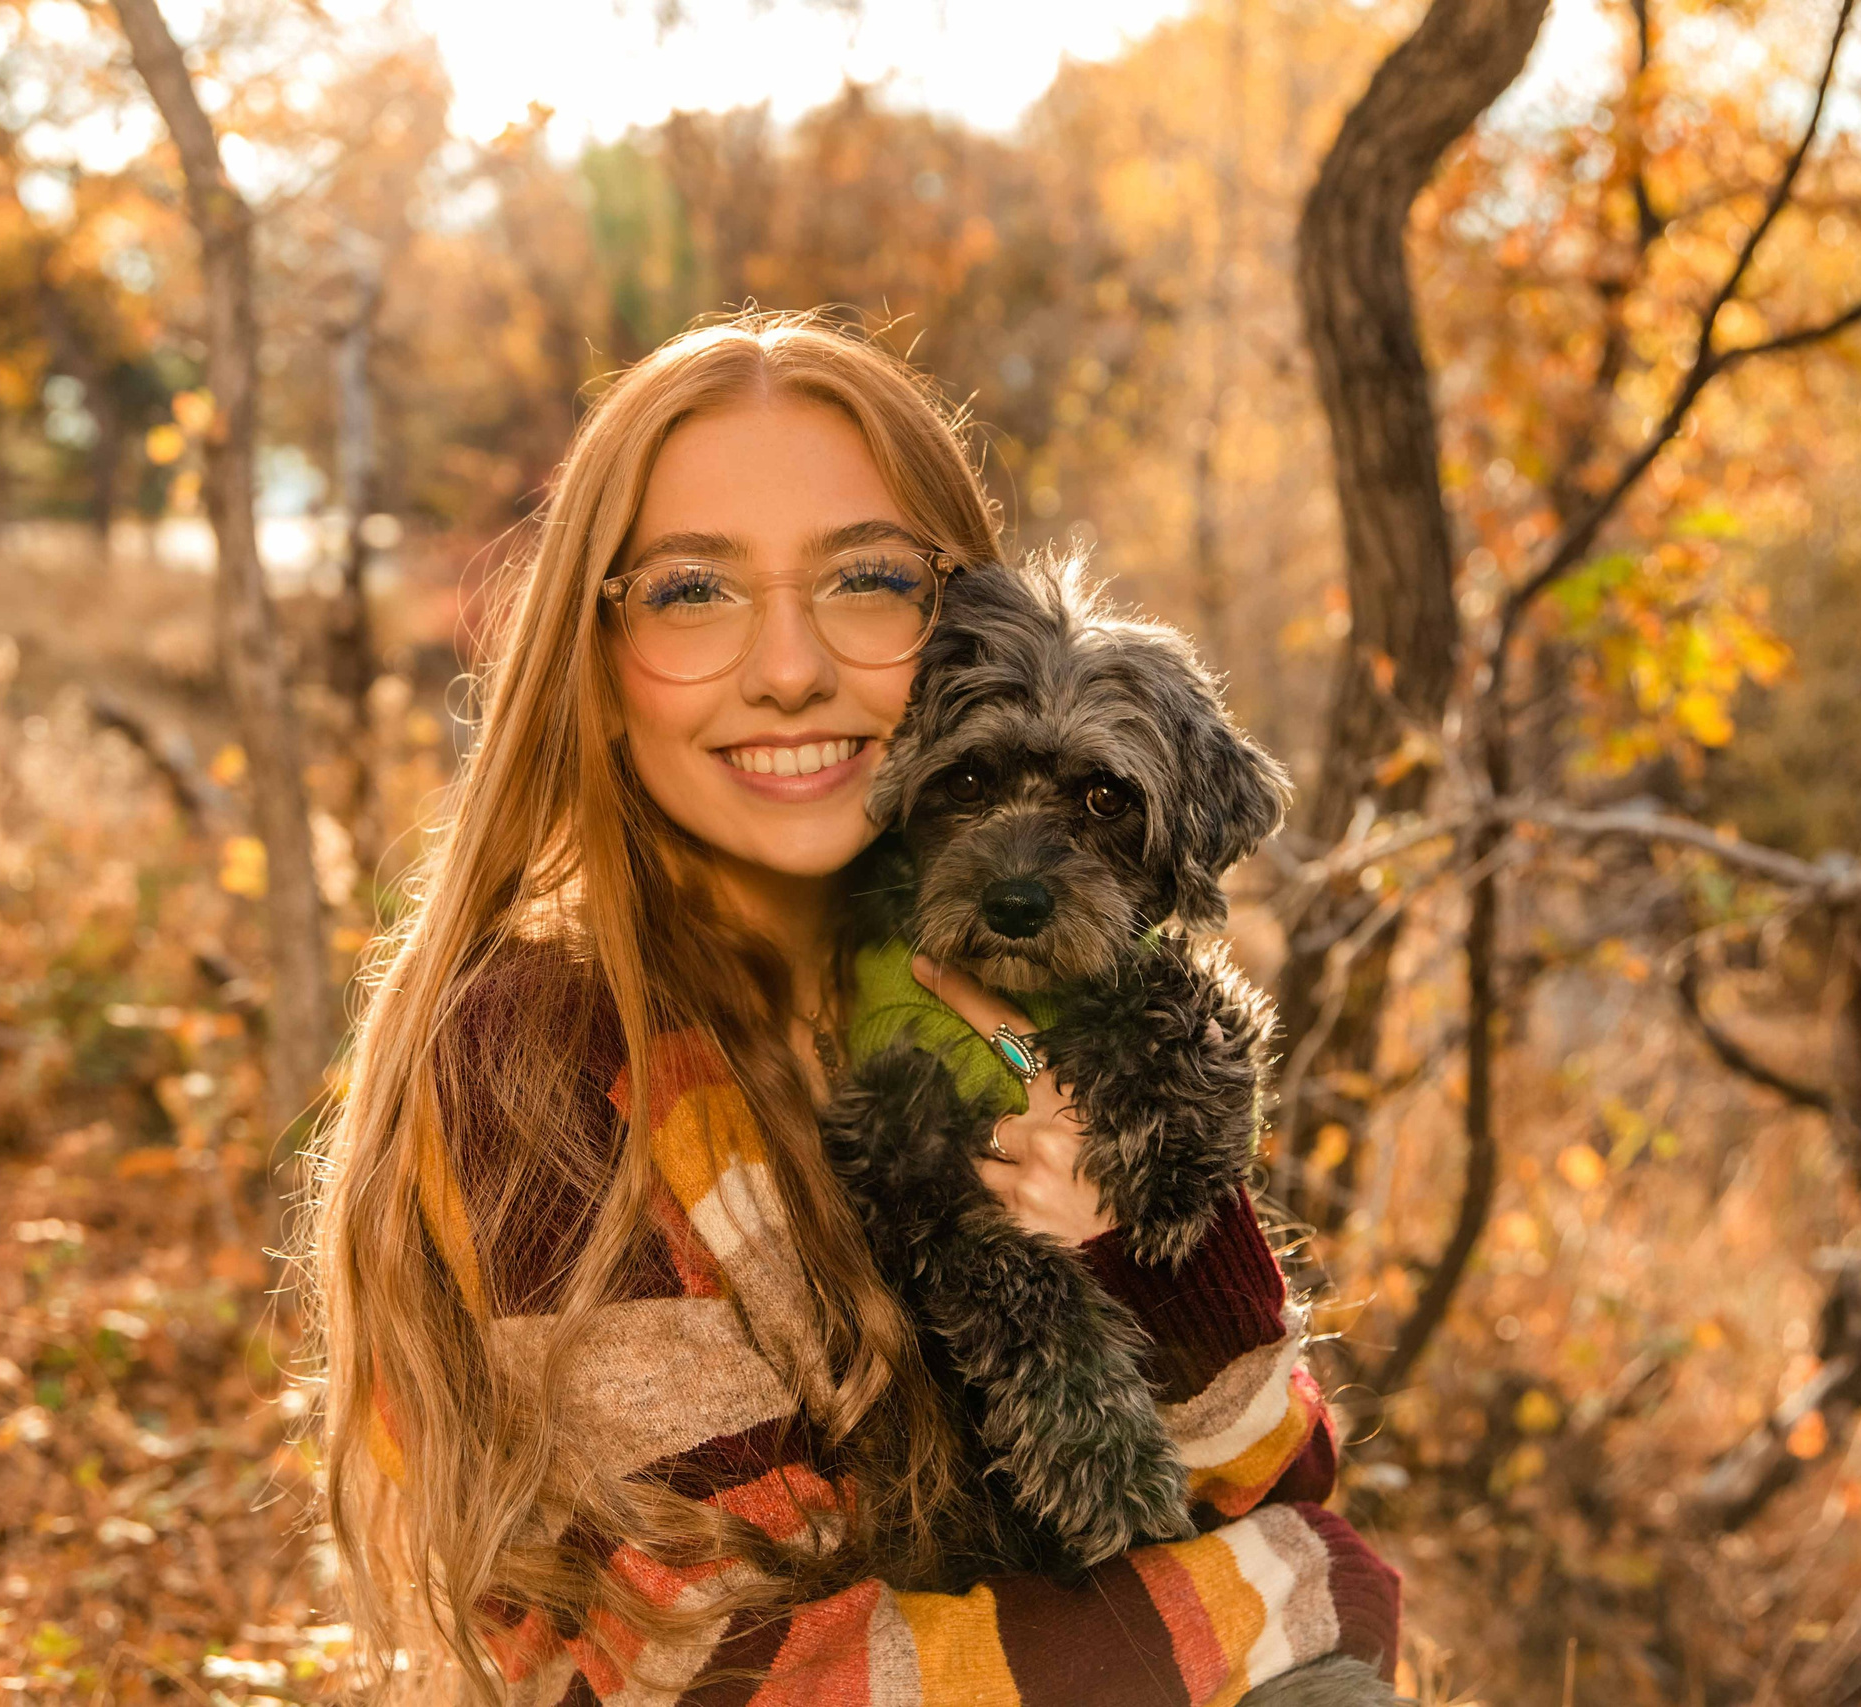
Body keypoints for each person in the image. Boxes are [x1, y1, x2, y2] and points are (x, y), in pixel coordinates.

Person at [301, 310, 1403, 1705]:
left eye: (868, 582)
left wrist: (1135, 1246)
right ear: (596, 648)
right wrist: (1304, 1589)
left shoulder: (1012, 995)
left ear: (970, 633)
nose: (788, 667)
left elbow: (1271, 1473)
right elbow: (744, 1677)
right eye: (695, 592)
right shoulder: (536, 1060)